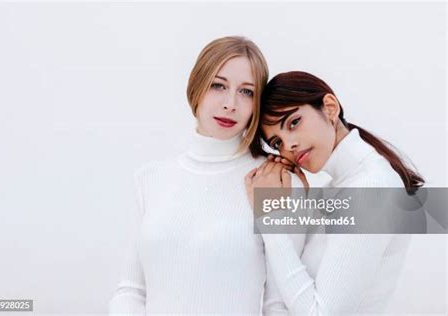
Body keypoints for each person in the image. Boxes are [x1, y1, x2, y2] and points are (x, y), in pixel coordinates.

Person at [108, 37, 317, 315]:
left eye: (246, 92)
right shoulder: (151, 178)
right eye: (218, 85)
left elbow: (278, 305)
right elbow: (131, 291)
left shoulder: (274, 180)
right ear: (197, 86)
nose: (230, 104)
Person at [245, 71, 425, 315]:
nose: (289, 146)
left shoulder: (372, 188)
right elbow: (278, 304)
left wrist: (268, 220)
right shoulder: (337, 189)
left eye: (294, 122)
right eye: (277, 143)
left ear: (330, 107)